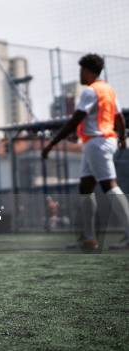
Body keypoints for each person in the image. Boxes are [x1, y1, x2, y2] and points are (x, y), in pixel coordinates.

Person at [42, 53, 129, 250]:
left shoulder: (90, 92)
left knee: (109, 186)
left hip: (97, 142)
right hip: (100, 142)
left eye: (81, 70)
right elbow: (119, 118)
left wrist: (51, 143)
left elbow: (76, 120)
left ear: (88, 71)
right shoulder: (108, 89)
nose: (80, 74)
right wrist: (122, 138)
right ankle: (88, 238)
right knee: (86, 187)